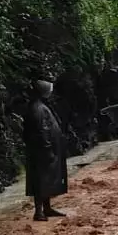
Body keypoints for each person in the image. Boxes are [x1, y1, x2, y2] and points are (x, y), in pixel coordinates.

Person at [23, 80, 68, 222]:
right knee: (40, 181)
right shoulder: (38, 108)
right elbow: (42, 130)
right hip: (42, 151)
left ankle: (47, 208)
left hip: (43, 150)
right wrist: (48, 149)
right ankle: (39, 212)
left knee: (46, 180)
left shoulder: (39, 106)